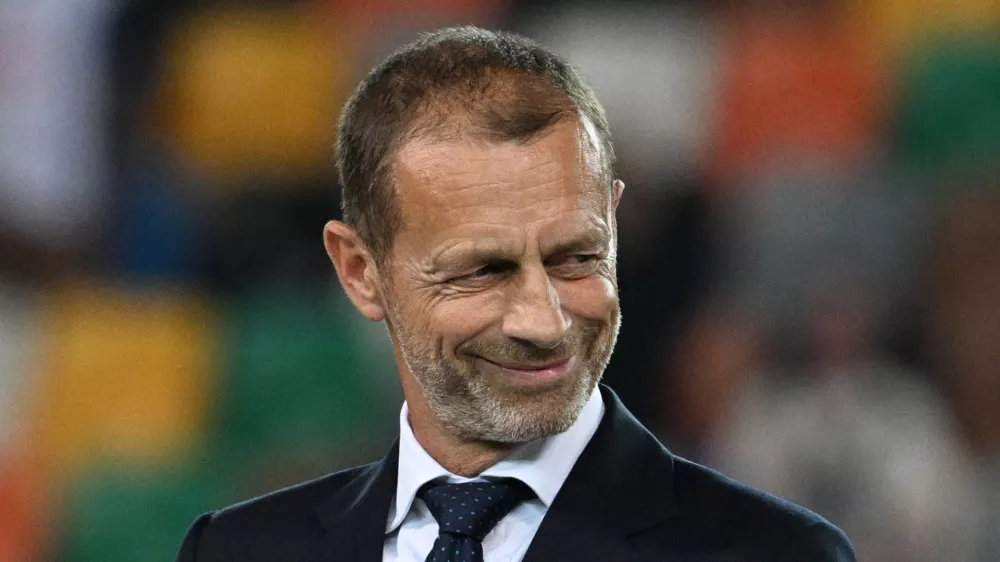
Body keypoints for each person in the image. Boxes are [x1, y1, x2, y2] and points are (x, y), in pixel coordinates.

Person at [176, 26, 855, 562]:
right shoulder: (237, 550)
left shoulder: (772, 553)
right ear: (360, 271)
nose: (544, 322)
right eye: (483, 270)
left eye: (577, 258)